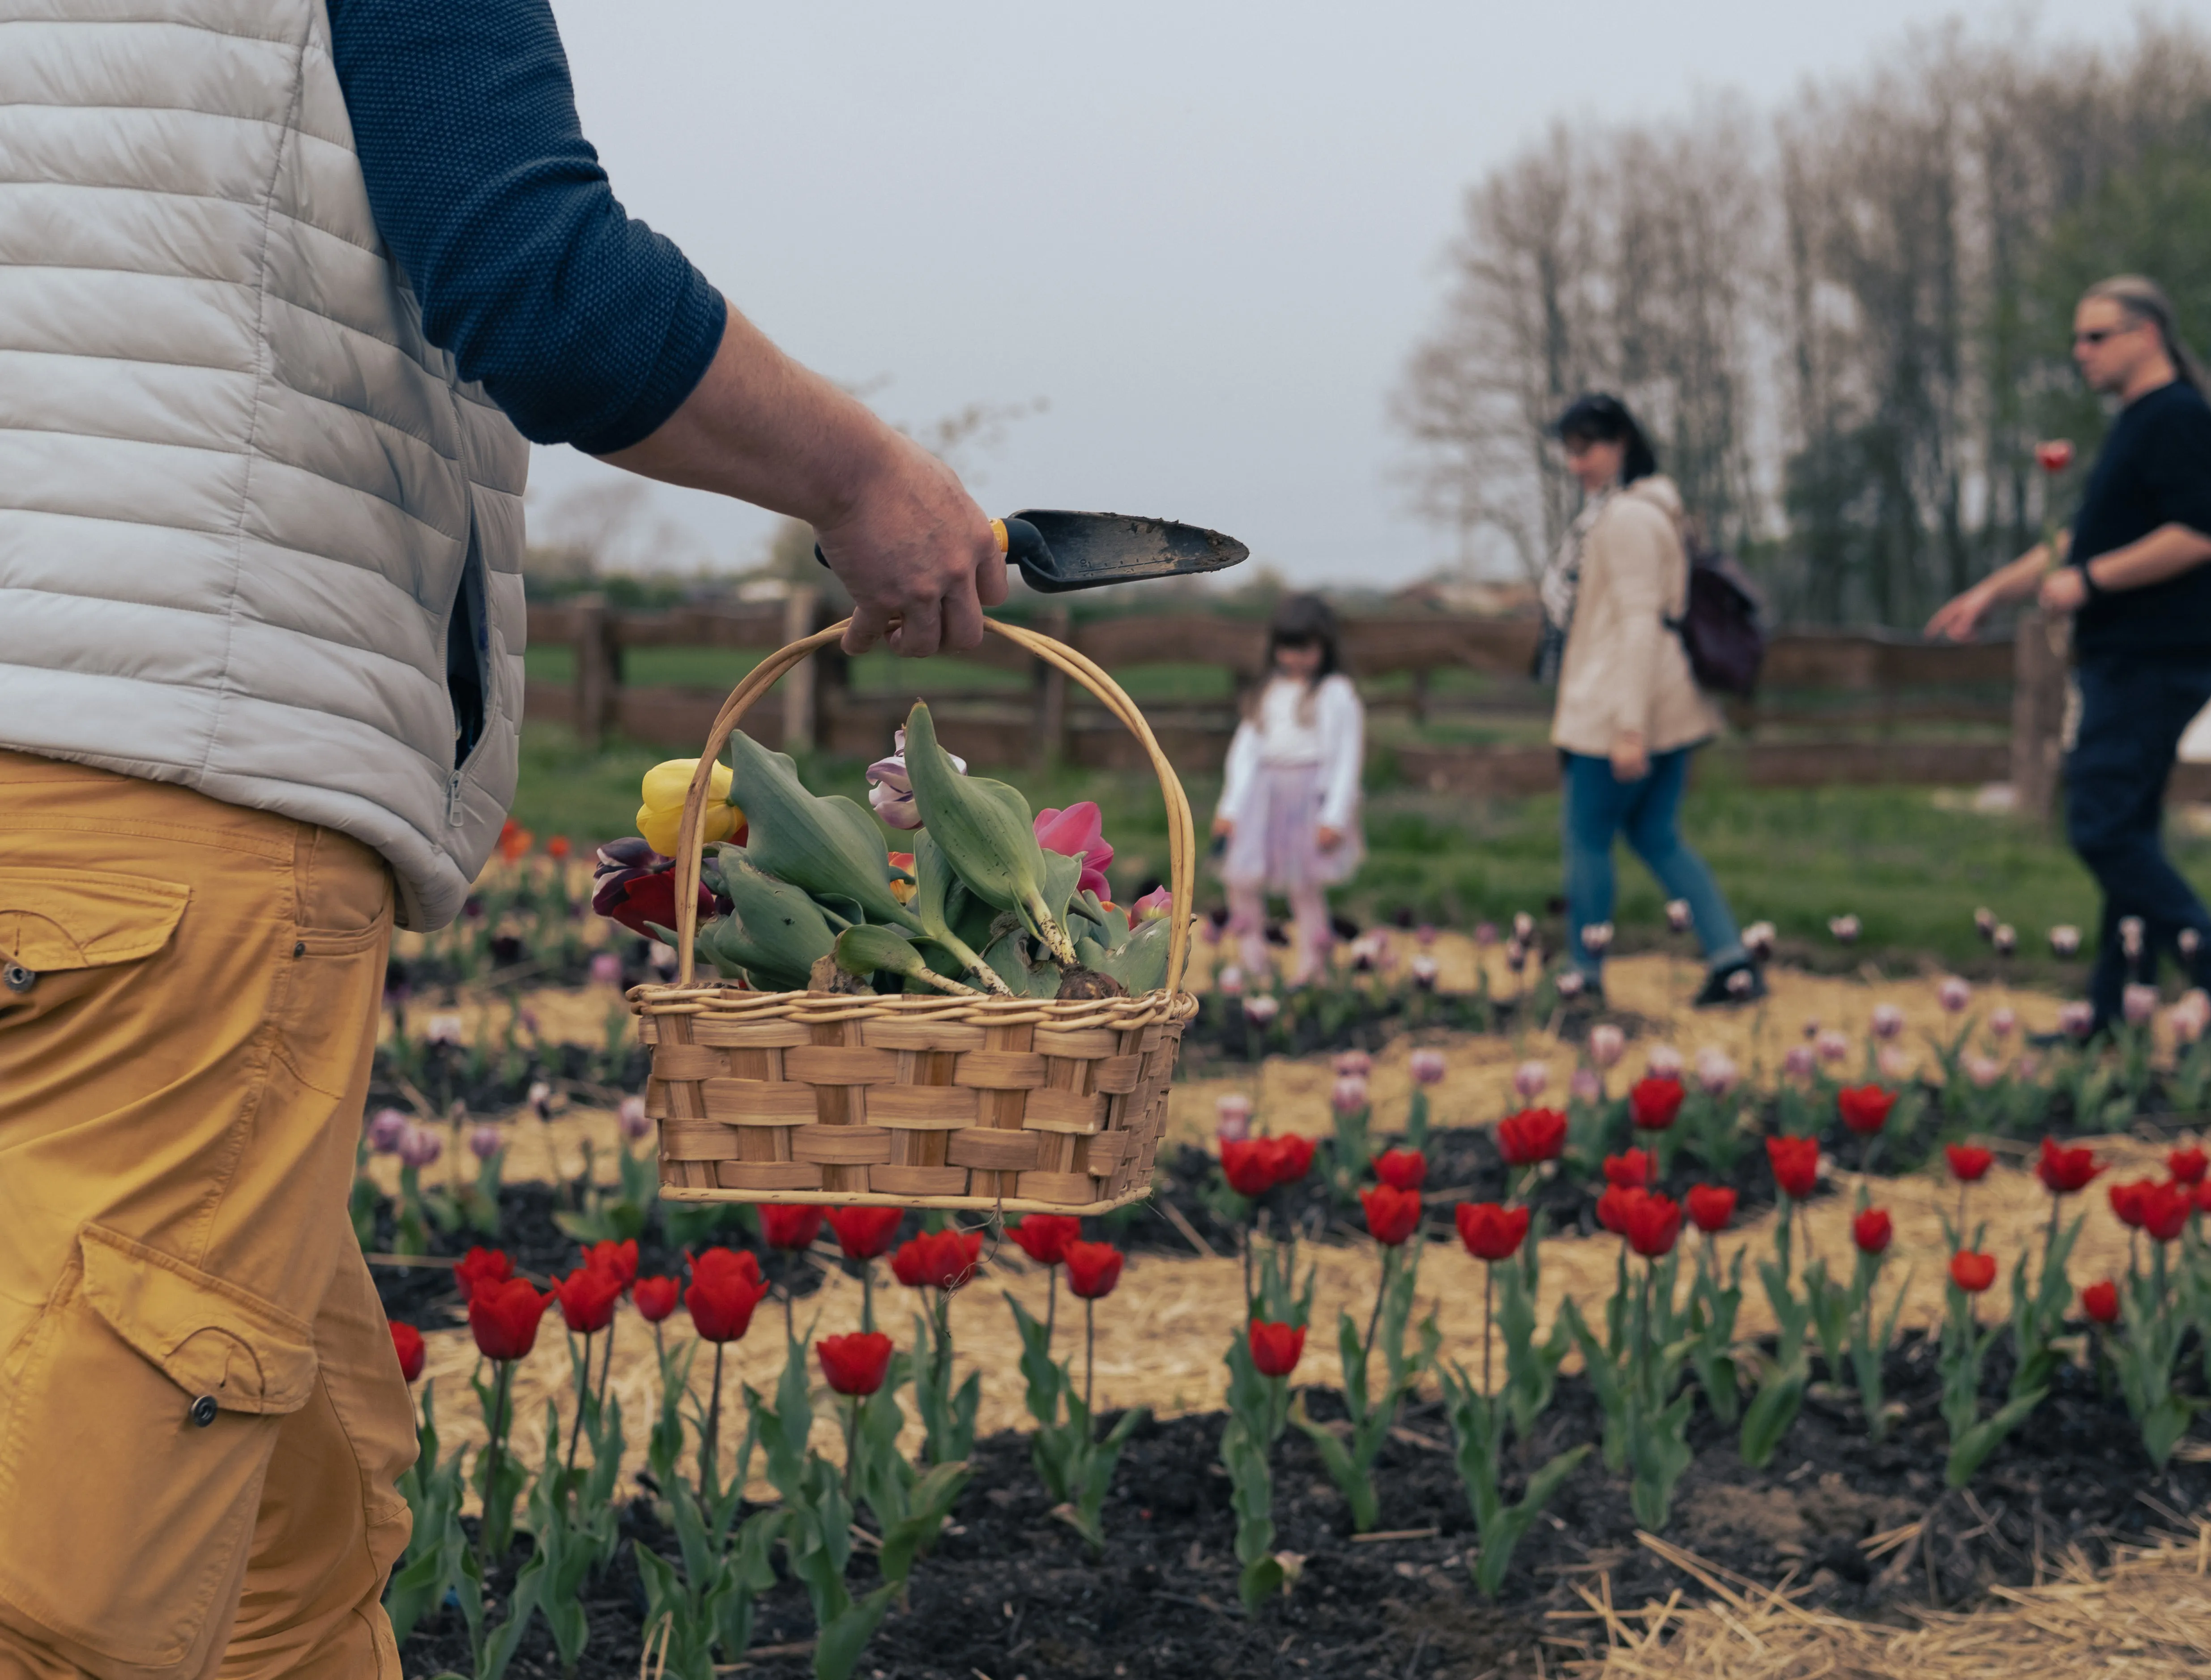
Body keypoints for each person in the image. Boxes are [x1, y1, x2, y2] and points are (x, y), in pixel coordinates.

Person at [0, 2, 1002, 1672]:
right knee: (74, 1579)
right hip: (161, 787)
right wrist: (862, 478)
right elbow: (534, 279)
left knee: (289, 1541)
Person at [1924, 275, 2211, 1023]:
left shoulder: (2179, 419)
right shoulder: (2138, 422)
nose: (2080, 351)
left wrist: (2090, 582)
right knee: (2126, 834)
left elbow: (2195, 536)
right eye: (2077, 338)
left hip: (2157, 657)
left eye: (2096, 336)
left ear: (2148, 335)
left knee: (2100, 825)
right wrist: (1991, 593)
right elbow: (2079, 541)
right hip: (2127, 657)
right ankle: (2114, 1015)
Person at [1544, 394, 1761, 1006]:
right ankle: (1732, 960)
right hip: (1669, 700)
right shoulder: (1661, 511)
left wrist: (1628, 727)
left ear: (1620, 443)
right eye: (1569, 451)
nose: (1575, 463)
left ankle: (1584, 975)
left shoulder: (1625, 520)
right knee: (1656, 836)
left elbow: (1639, 622)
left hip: (1620, 705)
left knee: (1587, 838)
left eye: (1586, 449)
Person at [1212, 595, 1366, 987]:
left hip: (1307, 800)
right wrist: (1229, 809)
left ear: (1325, 647)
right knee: (1241, 879)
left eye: (1306, 649)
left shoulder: (1336, 693)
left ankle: (1313, 967)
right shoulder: (1268, 691)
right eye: (1288, 648)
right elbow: (1244, 753)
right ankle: (1252, 960)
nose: (1295, 658)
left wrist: (1335, 817)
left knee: (1304, 886)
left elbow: (1348, 759)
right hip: (1261, 797)